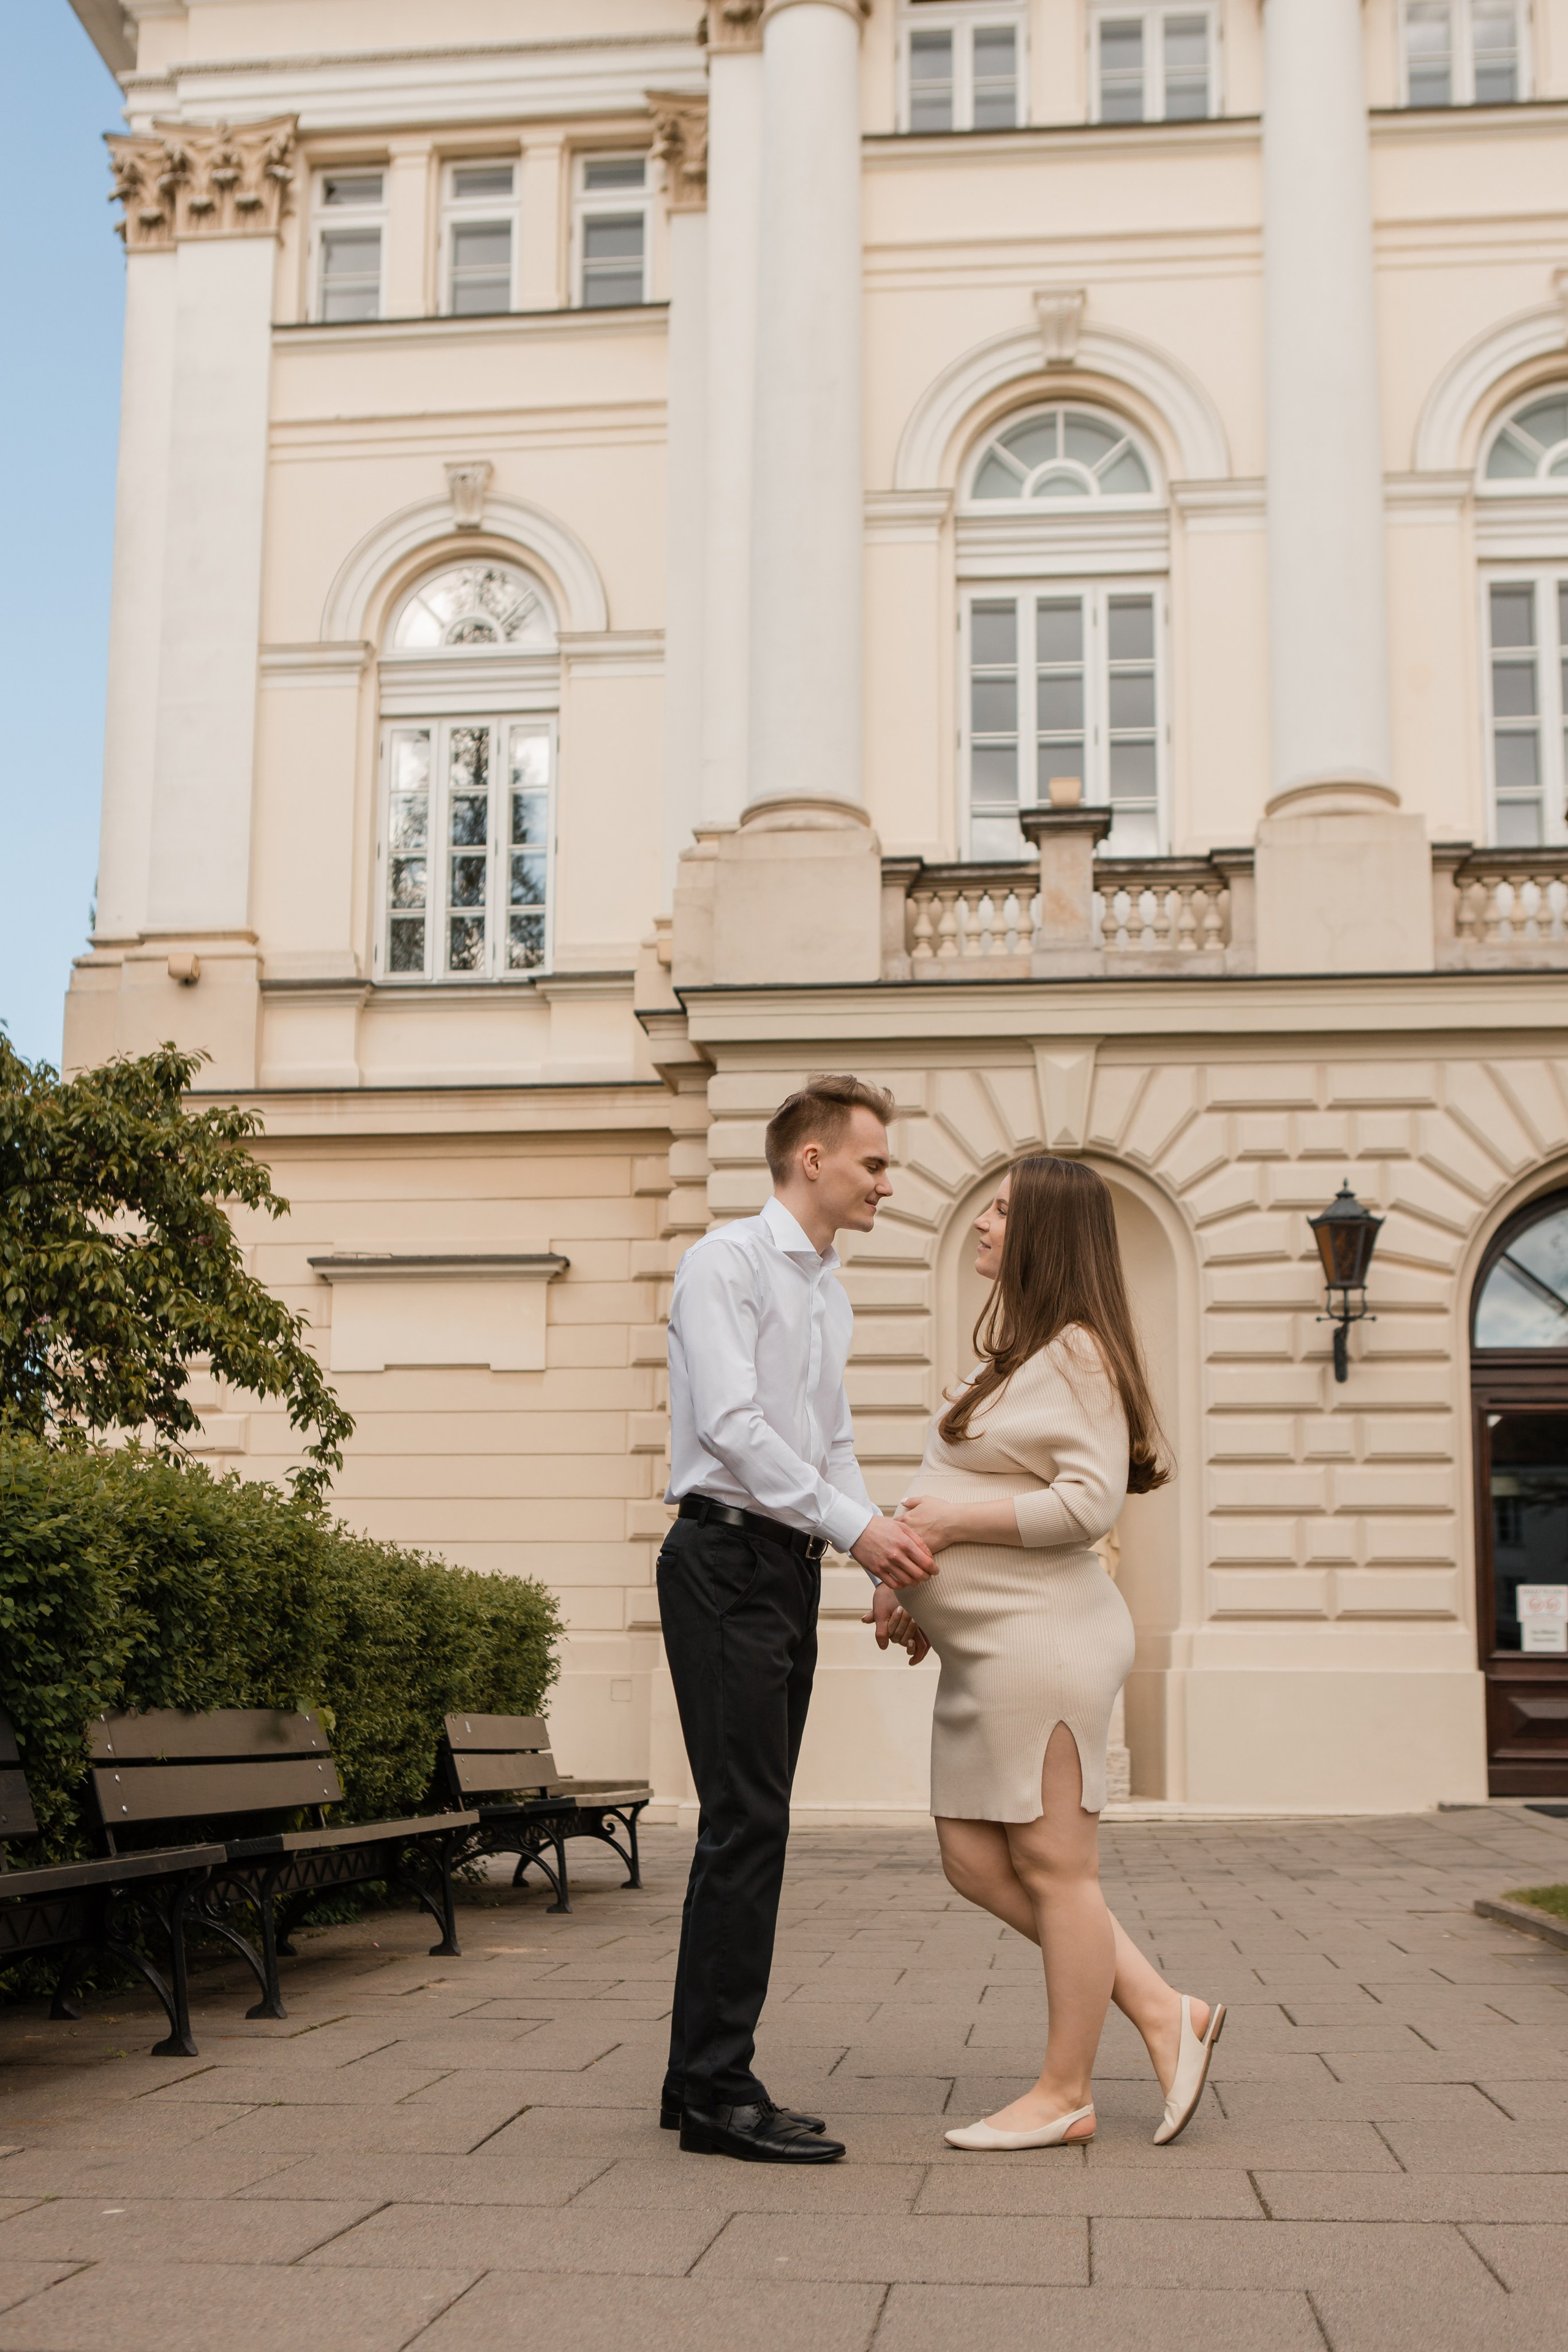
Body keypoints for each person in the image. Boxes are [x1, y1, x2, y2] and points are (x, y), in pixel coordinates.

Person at [872, 1155, 1224, 2150]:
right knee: (974, 1861)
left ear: (1046, 1236)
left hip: (1046, 1648)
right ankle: (1165, 2009)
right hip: (987, 1651)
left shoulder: (1077, 1353)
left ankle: (1064, 2092)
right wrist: (911, 1588)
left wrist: (941, 1528)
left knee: (1059, 1869)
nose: (981, 1222)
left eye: (1001, 1210)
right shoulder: (1022, 1355)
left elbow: (1087, 1504)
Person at [658, 1074, 937, 2164]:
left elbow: (829, 1445)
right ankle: (720, 2095)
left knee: (748, 1822)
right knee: (746, 1826)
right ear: (812, 1160)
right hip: (722, 1557)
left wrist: (871, 1544)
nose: (886, 1181)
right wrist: (851, 1528)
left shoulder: (830, 1290)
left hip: (782, 1569)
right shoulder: (723, 1264)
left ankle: (695, 2078)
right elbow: (729, 1426)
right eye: (874, 1162)